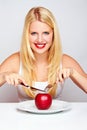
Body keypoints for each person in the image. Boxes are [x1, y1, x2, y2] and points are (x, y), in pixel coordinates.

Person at [0, 6, 87, 101]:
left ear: (53, 34)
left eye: (46, 33)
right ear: (27, 35)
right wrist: (3, 76)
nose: (40, 40)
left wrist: (73, 73)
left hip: (57, 116)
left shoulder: (64, 60)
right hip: (23, 116)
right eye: (33, 33)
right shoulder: (16, 60)